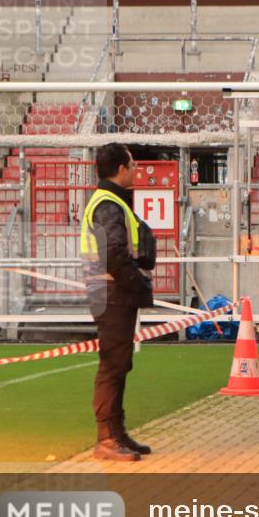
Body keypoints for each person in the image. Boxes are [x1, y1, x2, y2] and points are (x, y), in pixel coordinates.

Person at [81, 143, 156, 461]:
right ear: (121, 169)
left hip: (113, 292)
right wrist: (138, 284)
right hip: (111, 293)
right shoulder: (108, 205)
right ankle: (107, 439)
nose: (137, 169)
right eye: (133, 164)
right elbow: (113, 254)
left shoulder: (110, 202)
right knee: (113, 365)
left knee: (120, 363)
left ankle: (117, 433)